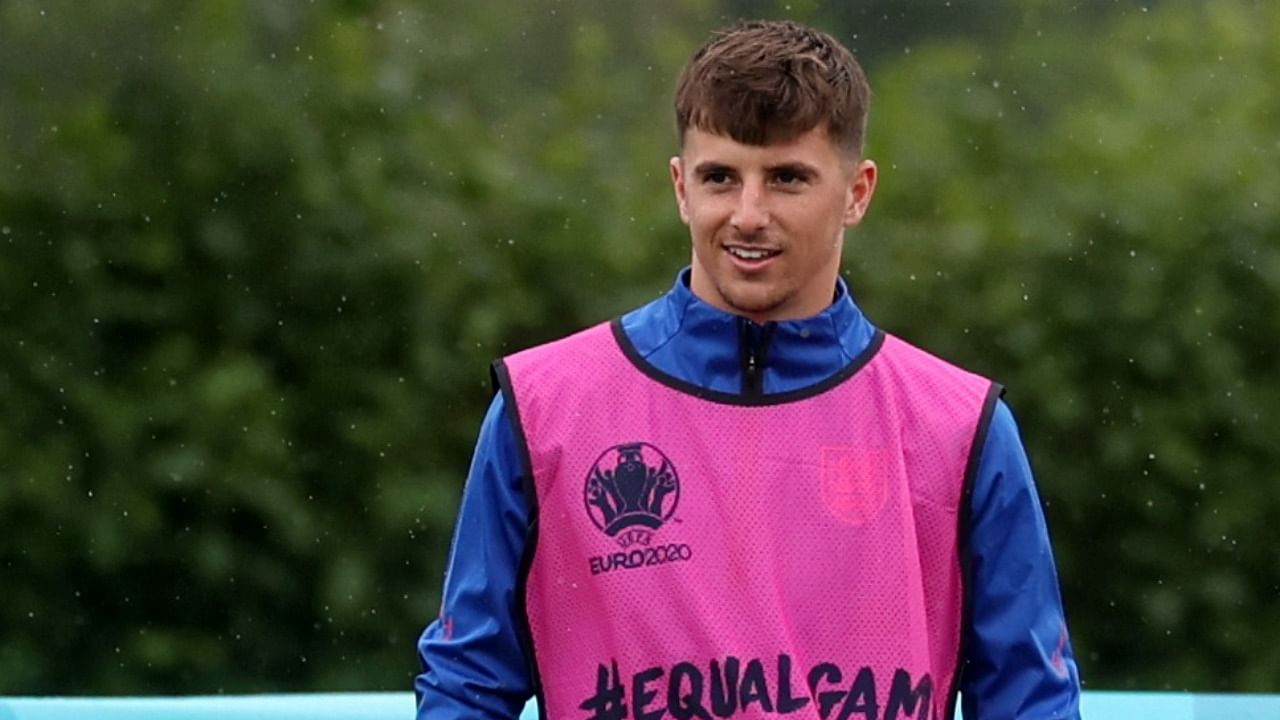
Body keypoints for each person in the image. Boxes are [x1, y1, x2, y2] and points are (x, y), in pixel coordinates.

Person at [415, 19, 1082, 720]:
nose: (748, 214)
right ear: (680, 186)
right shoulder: (544, 407)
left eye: (788, 178)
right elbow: (467, 684)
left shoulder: (959, 427)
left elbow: (1027, 698)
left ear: (857, 192)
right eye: (720, 177)